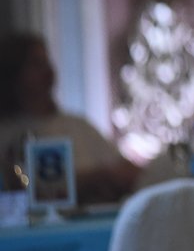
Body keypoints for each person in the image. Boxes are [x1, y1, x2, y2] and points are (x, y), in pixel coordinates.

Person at [0, 32, 139, 203]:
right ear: (14, 74)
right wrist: (91, 180)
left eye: (46, 62)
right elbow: (28, 189)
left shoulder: (78, 126)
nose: (48, 71)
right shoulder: (5, 134)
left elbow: (127, 171)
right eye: (36, 64)